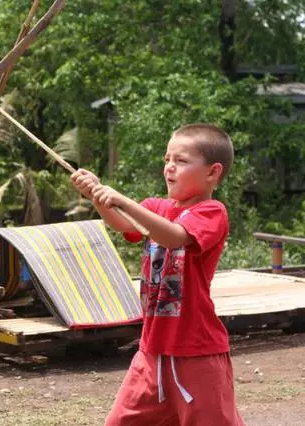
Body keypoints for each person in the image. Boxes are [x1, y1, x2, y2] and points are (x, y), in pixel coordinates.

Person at [71, 123, 245, 425]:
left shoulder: (212, 212)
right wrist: (97, 195)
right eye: (167, 160)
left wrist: (122, 200)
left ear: (212, 172)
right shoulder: (156, 207)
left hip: (197, 354)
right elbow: (122, 223)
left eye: (181, 161)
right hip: (151, 353)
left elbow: (174, 237)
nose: (170, 168)